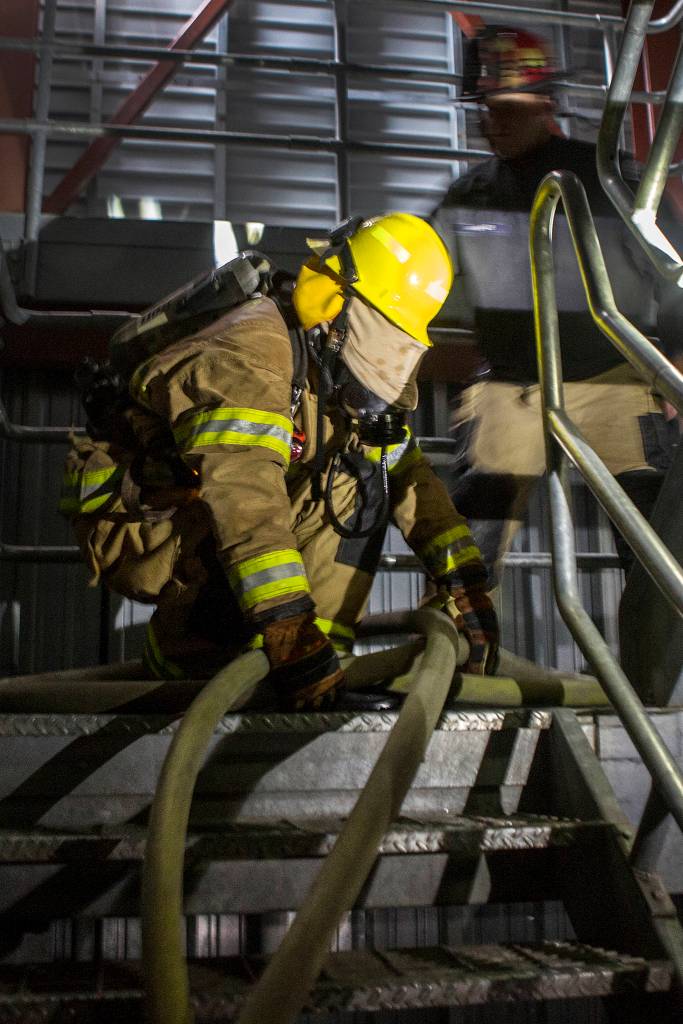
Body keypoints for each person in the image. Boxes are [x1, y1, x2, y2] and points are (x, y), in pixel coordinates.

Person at [60, 213, 499, 709]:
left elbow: (405, 470)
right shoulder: (253, 352)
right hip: (141, 518)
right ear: (337, 304)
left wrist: (466, 584)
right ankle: (195, 658)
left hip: (208, 505)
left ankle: (319, 659)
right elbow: (244, 494)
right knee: (245, 506)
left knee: (363, 473)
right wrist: (286, 623)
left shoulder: (321, 353)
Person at [431, 25, 682, 583]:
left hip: (613, 380)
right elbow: (429, 286)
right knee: (469, 548)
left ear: (546, 103)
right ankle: (459, 653)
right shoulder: (466, 197)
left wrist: (677, 366)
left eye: (508, 108)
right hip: (509, 387)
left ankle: (649, 670)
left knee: (652, 551)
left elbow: (672, 271)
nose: (493, 121)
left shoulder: (609, 180)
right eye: (486, 108)